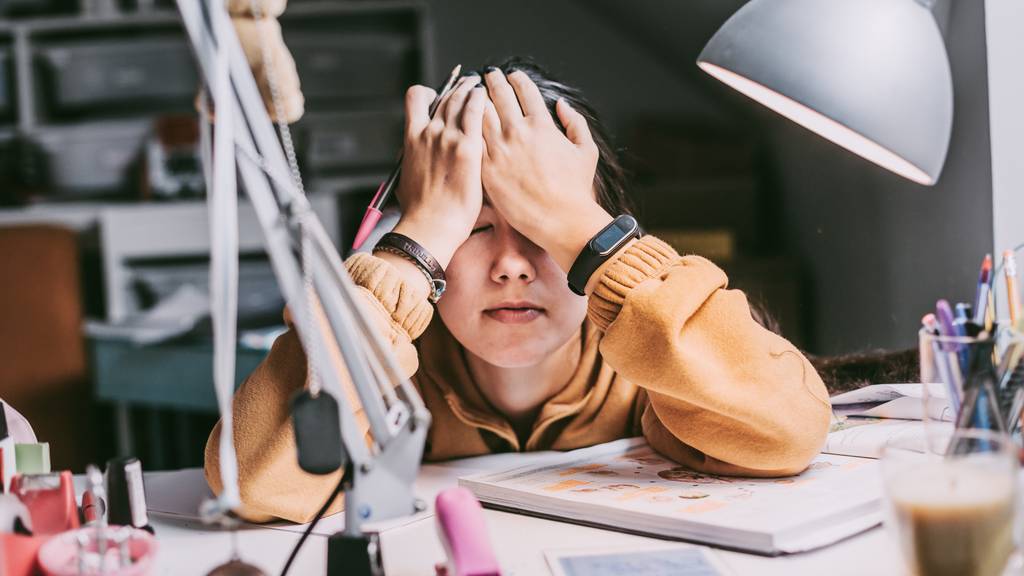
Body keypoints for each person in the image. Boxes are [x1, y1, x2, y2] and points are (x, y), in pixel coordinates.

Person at [205, 59, 831, 523]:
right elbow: (259, 481)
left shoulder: (655, 356)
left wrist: (589, 234)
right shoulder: (388, 371)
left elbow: (788, 433)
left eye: (544, 232)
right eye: (472, 228)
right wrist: (412, 242)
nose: (510, 266)